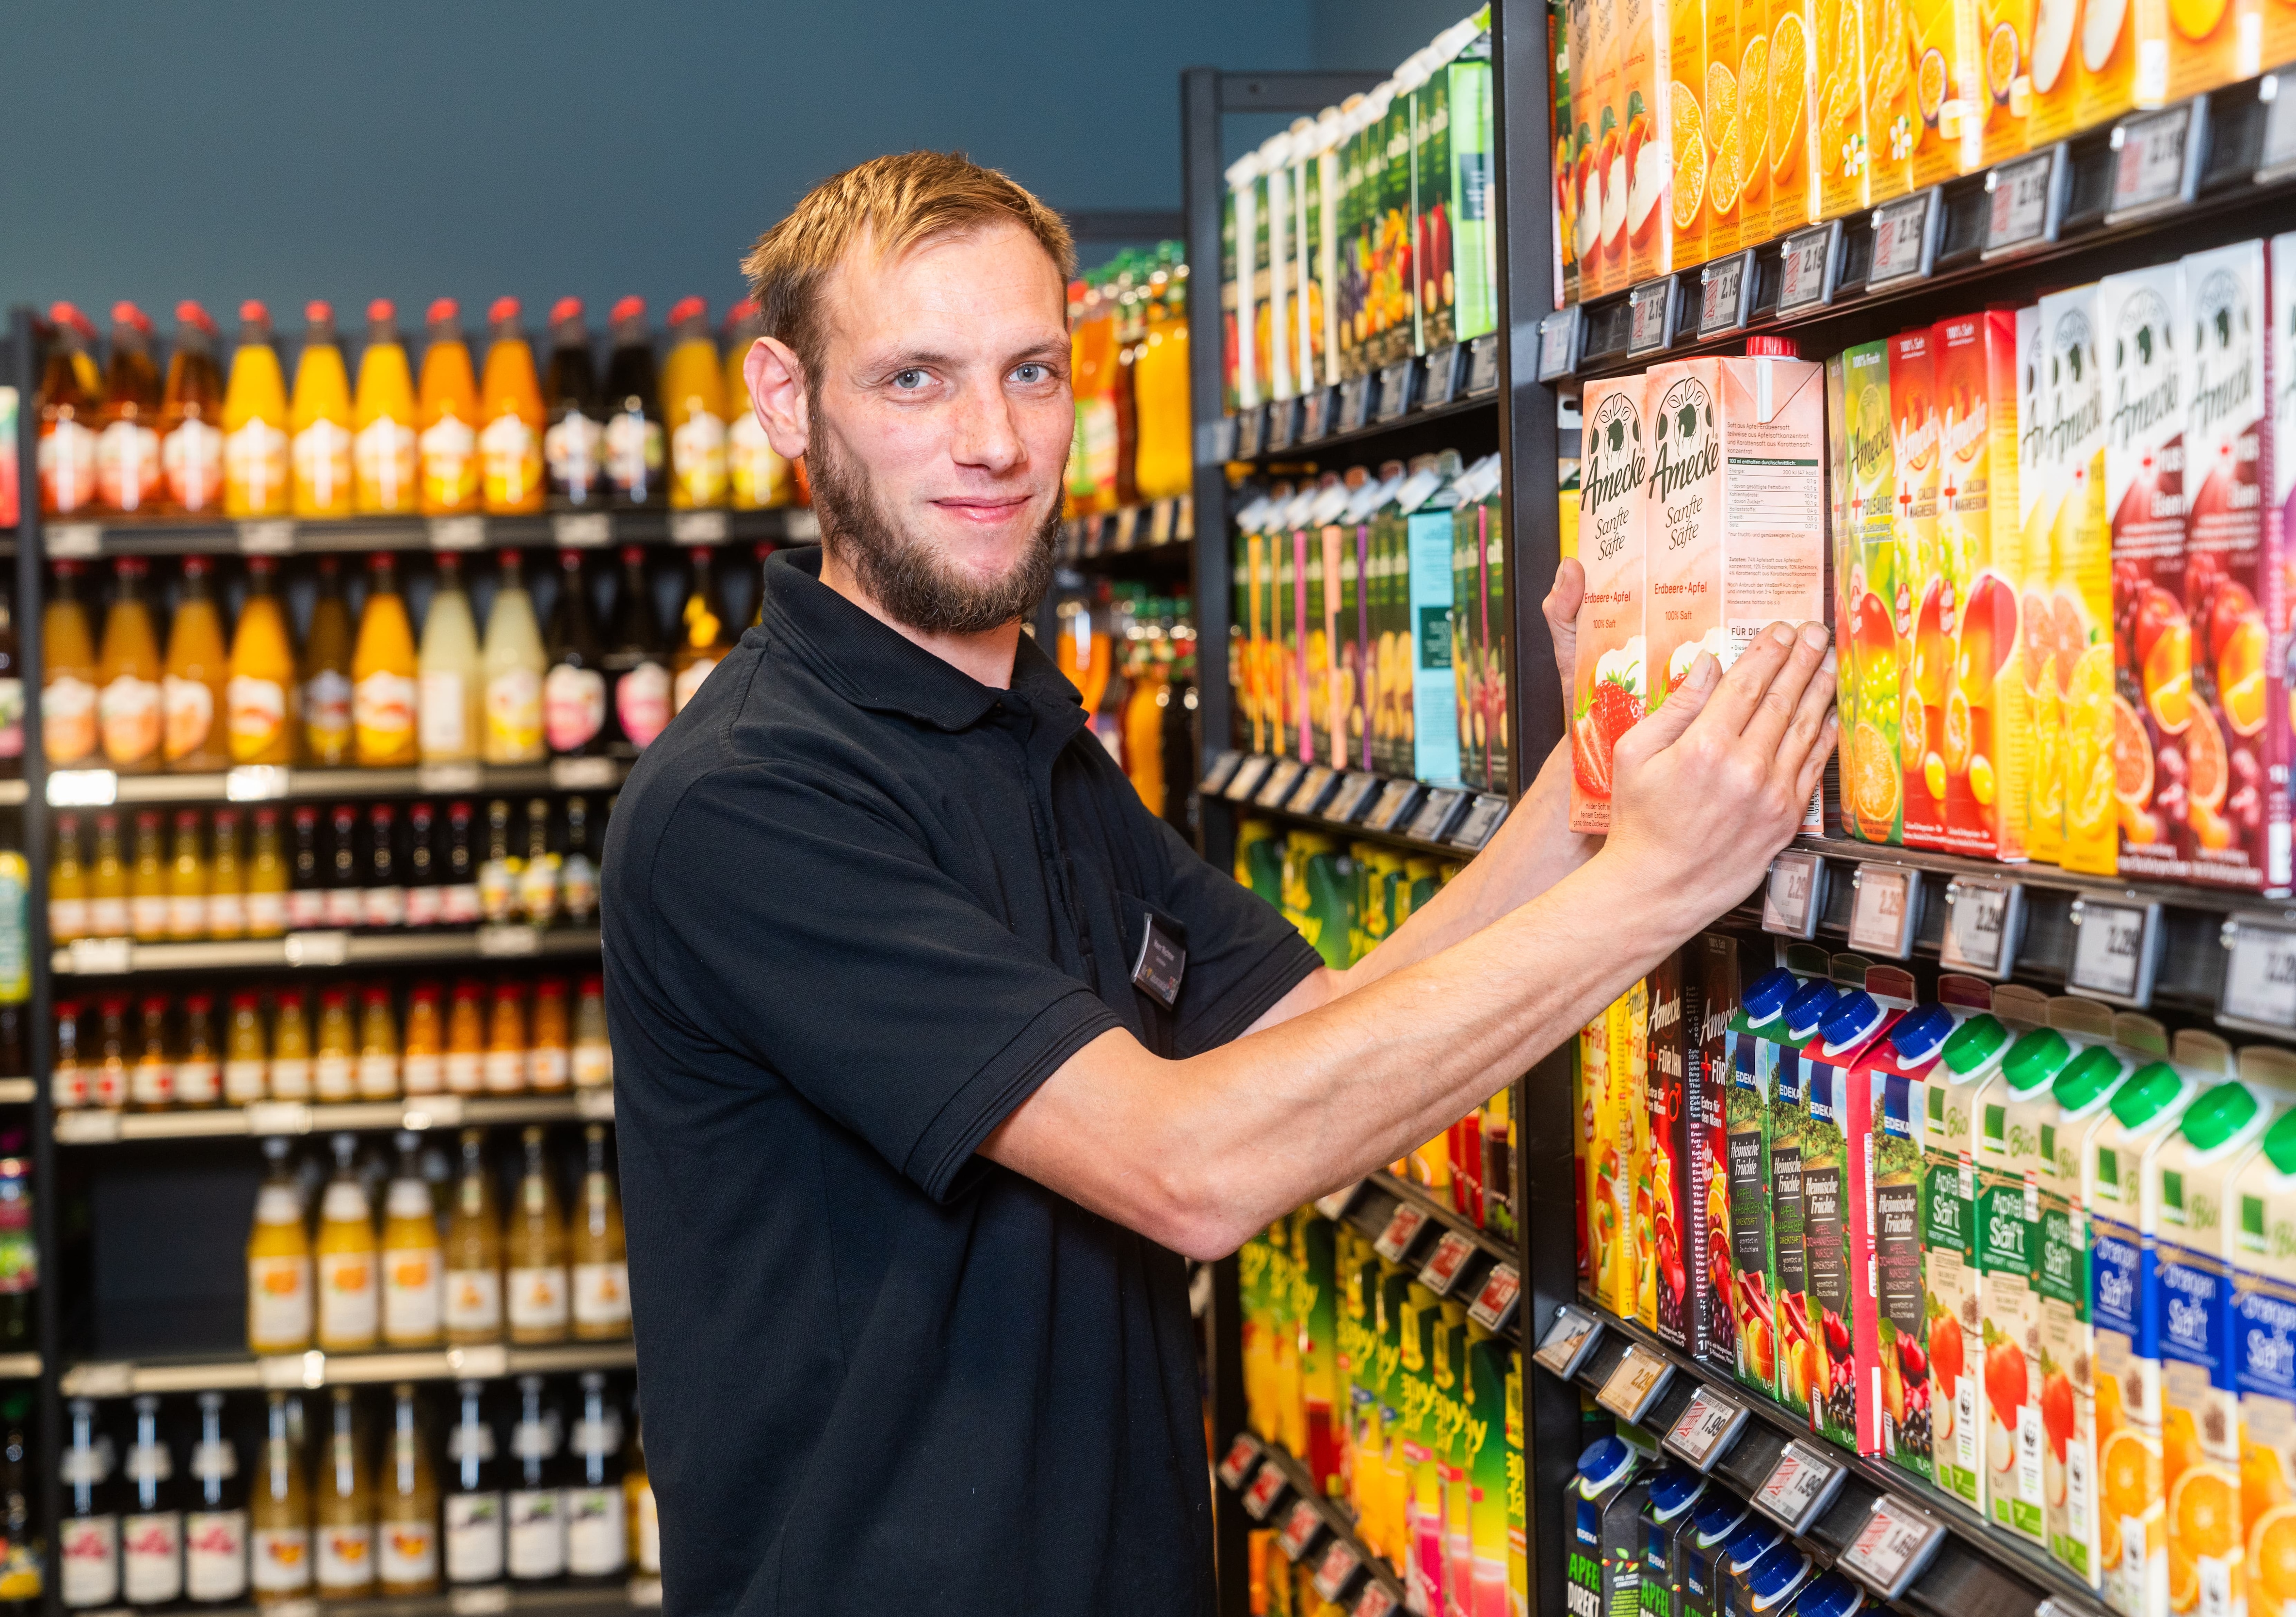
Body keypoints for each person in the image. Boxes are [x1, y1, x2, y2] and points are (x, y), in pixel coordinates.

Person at [601, 150, 1836, 1616]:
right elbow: (1189, 1167)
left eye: (1034, 372)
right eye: (915, 381)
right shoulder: (750, 802)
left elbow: (1313, 1040)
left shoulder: (1030, 739)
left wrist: (1587, 796)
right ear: (789, 401)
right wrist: (1650, 889)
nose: (993, 438)